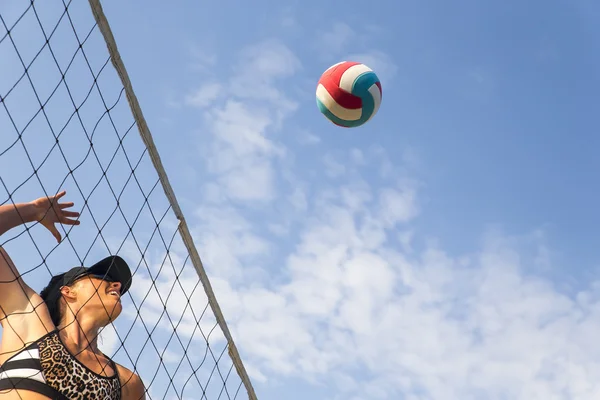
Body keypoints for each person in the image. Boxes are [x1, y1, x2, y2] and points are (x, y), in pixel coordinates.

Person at [0, 191, 146, 400]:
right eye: (101, 276)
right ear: (68, 291)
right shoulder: (28, 321)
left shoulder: (127, 383)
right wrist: (33, 211)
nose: (117, 285)